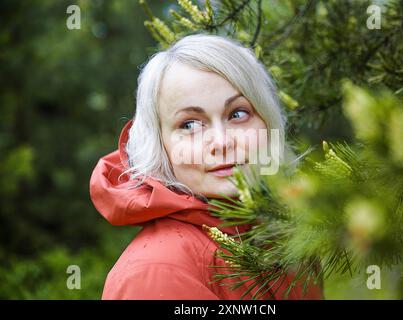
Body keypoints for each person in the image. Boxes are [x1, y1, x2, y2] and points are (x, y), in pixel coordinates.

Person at [89, 34, 323, 299]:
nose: (221, 142)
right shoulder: (155, 272)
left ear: (267, 122)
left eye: (237, 114)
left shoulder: (287, 237)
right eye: (189, 124)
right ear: (160, 146)